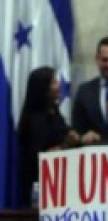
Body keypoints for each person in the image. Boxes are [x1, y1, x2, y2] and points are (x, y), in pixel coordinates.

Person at [17, 67, 80, 205]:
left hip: (58, 185)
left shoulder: (53, 111)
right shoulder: (35, 119)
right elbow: (40, 157)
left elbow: (64, 133)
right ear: (43, 89)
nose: (58, 85)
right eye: (53, 82)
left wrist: (80, 138)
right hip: (41, 188)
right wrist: (66, 144)